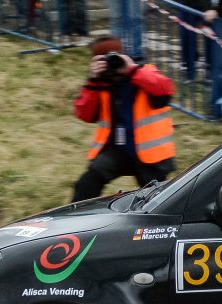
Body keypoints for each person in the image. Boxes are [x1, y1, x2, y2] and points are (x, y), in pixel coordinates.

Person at [71, 37, 175, 200]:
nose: (111, 64)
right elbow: (84, 114)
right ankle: (75, 220)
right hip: (117, 151)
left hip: (150, 155)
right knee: (86, 184)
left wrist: (131, 69)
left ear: (123, 55)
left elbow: (165, 90)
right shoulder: (100, 83)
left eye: (114, 57)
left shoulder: (144, 71)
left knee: (157, 201)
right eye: (103, 60)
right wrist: (92, 81)